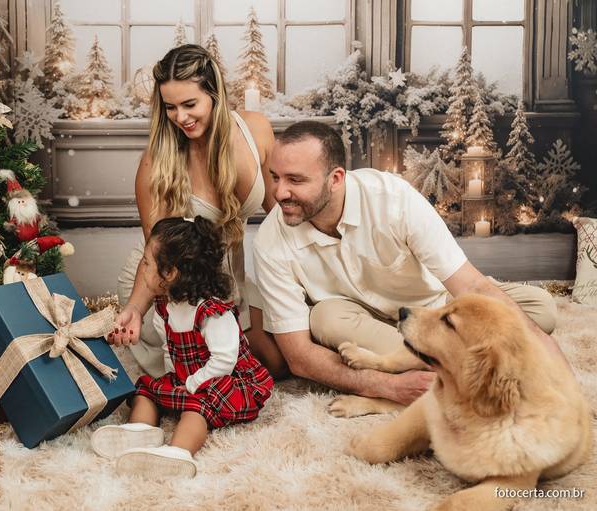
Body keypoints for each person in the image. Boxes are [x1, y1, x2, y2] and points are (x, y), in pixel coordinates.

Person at [251, 120, 561, 406]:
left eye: (295, 180)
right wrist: (386, 386)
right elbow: (299, 357)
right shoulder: (270, 239)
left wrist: (557, 369)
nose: (279, 193)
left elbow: (470, 284)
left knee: (539, 309)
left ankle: (440, 361)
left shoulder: (392, 198)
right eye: (275, 177)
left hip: (433, 309)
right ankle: (454, 364)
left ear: (335, 179)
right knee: (324, 318)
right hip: (355, 319)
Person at [111, 44, 284, 379]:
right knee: (215, 379)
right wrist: (134, 307)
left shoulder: (256, 130)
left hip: (230, 281)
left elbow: (278, 211)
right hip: (177, 288)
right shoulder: (156, 163)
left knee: (278, 366)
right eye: (171, 107)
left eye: (190, 104)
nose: (181, 117)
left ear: (214, 94)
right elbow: (157, 256)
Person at [94, 217, 274, 477]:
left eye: (146, 263)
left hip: (225, 381)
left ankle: (178, 452)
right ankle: (140, 432)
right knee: (146, 389)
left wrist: (191, 385)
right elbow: (169, 349)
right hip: (189, 377)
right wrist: (174, 380)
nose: (142, 268)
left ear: (170, 274)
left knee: (195, 408)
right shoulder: (164, 307)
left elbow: (224, 361)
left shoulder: (212, 312)